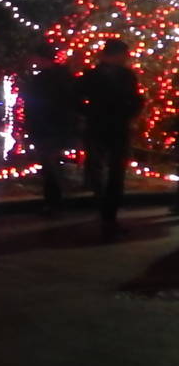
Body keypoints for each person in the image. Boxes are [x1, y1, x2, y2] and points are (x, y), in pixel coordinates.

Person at [79, 38, 143, 239]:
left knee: (109, 170)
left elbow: (76, 98)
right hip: (108, 126)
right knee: (109, 170)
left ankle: (107, 212)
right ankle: (107, 211)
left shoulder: (120, 75)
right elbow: (76, 97)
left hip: (108, 126)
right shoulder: (99, 76)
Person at [19, 45, 78, 213]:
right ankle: (57, 198)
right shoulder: (65, 76)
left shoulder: (43, 79)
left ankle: (55, 200)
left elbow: (35, 104)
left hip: (46, 127)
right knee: (53, 163)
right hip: (58, 125)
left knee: (50, 164)